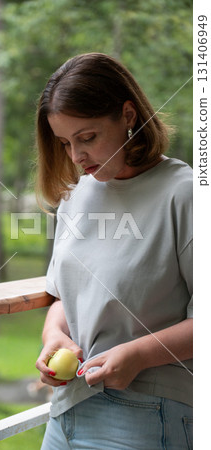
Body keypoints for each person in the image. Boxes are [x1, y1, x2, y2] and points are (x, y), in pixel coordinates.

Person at [35, 53, 193, 450]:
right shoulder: (77, 195)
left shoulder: (185, 194)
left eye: (87, 137)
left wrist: (138, 355)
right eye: (65, 143)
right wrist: (54, 335)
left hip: (147, 412)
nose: (75, 156)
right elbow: (65, 297)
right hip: (66, 411)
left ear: (127, 115)